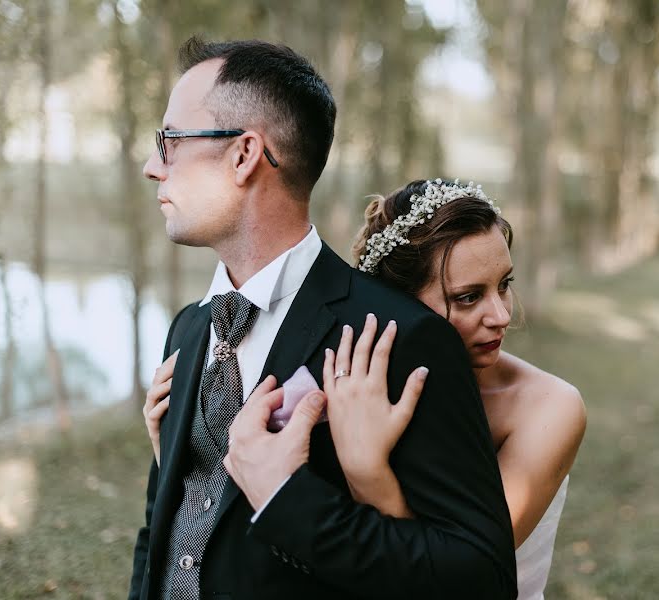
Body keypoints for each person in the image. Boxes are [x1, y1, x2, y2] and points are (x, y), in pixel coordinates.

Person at [130, 37, 515, 600]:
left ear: (244, 155)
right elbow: (159, 529)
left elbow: (481, 576)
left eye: (170, 141)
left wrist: (288, 500)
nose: (151, 166)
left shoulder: (398, 338)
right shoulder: (188, 329)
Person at [146, 179, 586, 600]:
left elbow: (465, 576)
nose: (501, 315)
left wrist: (367, 470)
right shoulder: (339, 381)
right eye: (469, 297)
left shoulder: (549, 408)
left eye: (504, 285)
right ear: (401, 305)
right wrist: (179, 455)